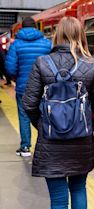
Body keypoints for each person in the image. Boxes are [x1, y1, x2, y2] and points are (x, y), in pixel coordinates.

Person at [22, 17, 94, 209]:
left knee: (59, 200)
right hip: (80, 142)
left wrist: (45, 125)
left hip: (51, 143)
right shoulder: (92, 66)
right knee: (79, 190)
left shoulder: (42, 63)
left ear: (57, 34)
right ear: (80, 35)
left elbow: (28, 104)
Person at [5, 17, 52, 156]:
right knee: (44, 115)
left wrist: (18, 77)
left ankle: (25, 147)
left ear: (21, 28)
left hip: (23, 86)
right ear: (36, 27)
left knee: (24, 115)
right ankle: (45, 146)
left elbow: (10, 68)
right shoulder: (46, 43)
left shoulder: (16, 44)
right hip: (44, 87)